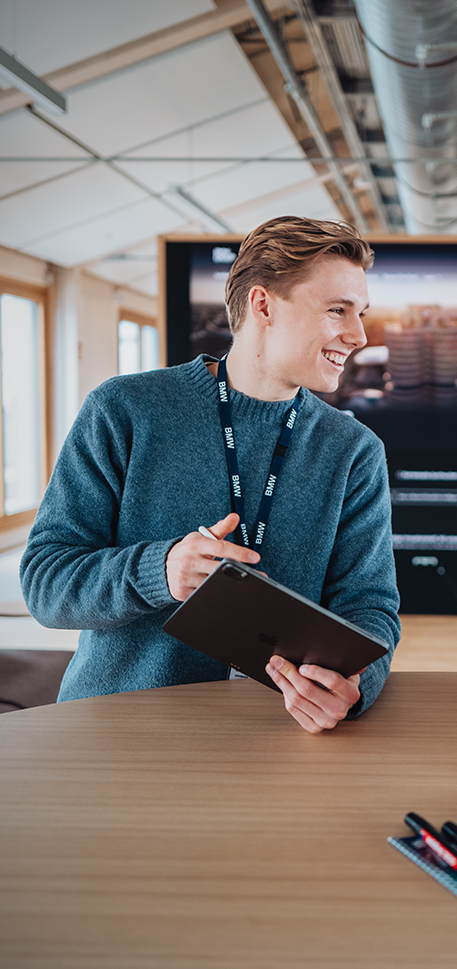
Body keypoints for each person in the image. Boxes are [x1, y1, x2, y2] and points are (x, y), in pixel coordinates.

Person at [21, 216, 400, 733]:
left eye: (361, 313)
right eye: (338, 310)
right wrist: (162, 570)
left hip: (276, 741)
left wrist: (357, 685)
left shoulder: (355, 451)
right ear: (263, 305)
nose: (357, 335)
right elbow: (47, 585)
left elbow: (370, 608)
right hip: (116, 732)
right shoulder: (125, 409)